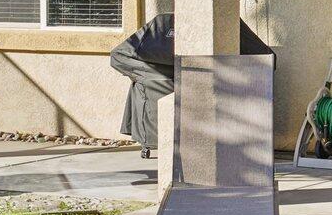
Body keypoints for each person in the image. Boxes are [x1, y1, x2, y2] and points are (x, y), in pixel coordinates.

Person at [110, 13, 273, 156]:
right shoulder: (162, 24)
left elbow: (118, 56)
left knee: (143, 83)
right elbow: (268, 59)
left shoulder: (163, 24)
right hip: (203, 97)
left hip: (181, 90)